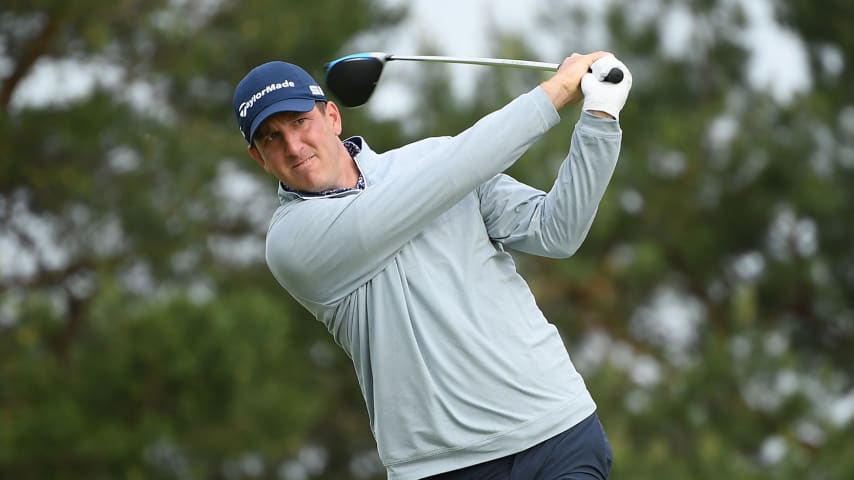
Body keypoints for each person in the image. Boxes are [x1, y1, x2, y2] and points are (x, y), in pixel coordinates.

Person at [231, 50, 632, 480]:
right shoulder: (291, 241)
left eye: (298, 122)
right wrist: (554, 92)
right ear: (259, 158)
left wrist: (599, 115)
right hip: (443, 467)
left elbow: (557, 230)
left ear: (332, 117)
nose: (292, 146)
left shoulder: (435, 160)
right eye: (271, 137)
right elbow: (443, 179)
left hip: (557, 428)